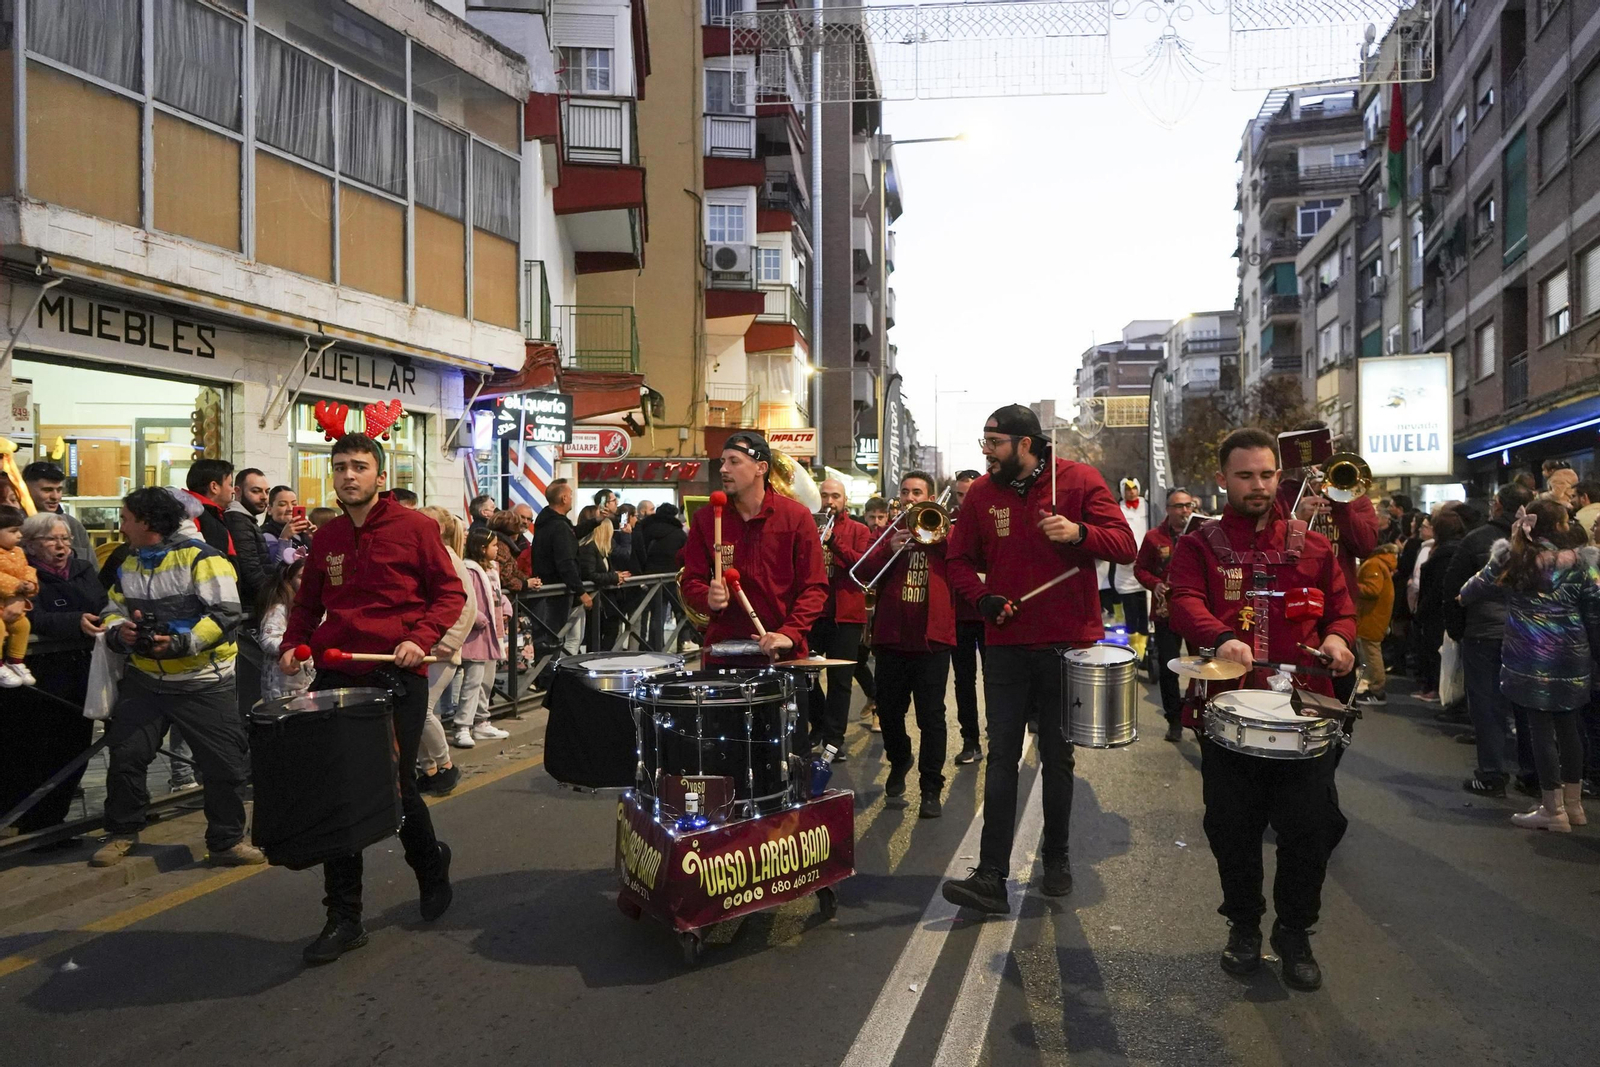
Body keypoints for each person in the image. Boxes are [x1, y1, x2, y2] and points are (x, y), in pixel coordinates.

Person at [1166, 427, 1356, 993]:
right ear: (1222, 479)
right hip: (1229, 711)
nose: (1258, 485)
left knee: (1309, 828)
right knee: (1232, 827)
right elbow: (1182, 602)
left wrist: (1341, 641)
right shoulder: (1198, 546)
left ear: (1279, 475)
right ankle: (1244, 926)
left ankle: (1294, 932)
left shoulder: (1315, 545)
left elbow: (1341, 611)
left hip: (1306, 711)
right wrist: (1221, 636)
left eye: (1267, 474)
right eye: (1245, 475)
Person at [277, 433, 466, 964]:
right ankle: (344, 917)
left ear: (379, 476)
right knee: (338, 794)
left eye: (359, 466)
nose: (348, 475)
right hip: (337, 677)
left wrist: (419, 638)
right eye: (340, 467)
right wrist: (295, 644)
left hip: (396, 679)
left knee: (395, 786)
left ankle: (430, 866)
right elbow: (308, 602)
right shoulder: (329, 537)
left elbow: (449, 593)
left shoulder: (416, 529)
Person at [942, 405, 1137, 914]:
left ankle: (1056, 858)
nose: (986, 452)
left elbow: (1125, 544)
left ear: (1026, 444)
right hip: (1006, 642)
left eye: (994, 443)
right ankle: (990, 875)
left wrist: (1078, 534)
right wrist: (981, 598)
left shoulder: (1078, 479)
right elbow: (958, 558)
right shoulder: (983, 493)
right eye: (983, 441)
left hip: (1067, 643)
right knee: (1002, 756)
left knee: (1057, 757)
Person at [92, 487, 264, 870]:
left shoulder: (204, 558)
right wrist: (121, 632)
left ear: (147, 522)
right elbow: (112, 607)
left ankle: (226, 842)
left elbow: (225, 613)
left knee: (225, 766)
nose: (120, 526)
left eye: (125, 518)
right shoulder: (130, 562)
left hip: (204, 682)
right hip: (146, 681)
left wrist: (182, 644)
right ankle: (122, 833)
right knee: (126, 757)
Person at [679, 431, 828, 752]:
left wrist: (789, 633)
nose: (723, 469)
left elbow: (814, 587)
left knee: (786, 759)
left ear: (761, 467)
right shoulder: (707, 519)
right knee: (725, 755)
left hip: (782, 658)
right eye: (722, 462)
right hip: (723, 658)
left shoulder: (796, 518)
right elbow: (689, 580)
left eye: (734, 461)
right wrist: (706, 596)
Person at [1459, 499, 1600, 832]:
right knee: (1569, 728)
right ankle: (1574, 806)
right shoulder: (1581, 562)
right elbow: (1594, 609)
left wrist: (1510, 544)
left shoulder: (1515, 559)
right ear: (1561, 526)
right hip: (1573, 654)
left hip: (1529, 655)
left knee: (1540, 731)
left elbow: (1471, 589)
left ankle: (1552, 811)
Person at [0, 513, 102, 840]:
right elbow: (37, 616)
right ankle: (27, 824)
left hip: (82, 672)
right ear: (29, 544)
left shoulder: (83, 569)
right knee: (33, 752)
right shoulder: (23, 574)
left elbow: (102, 604)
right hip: (39, 678)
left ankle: (52, 824)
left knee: (75, 747)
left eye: (65, 539)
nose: (61, 546)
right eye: (51, 540)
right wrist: (74, 620)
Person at [860, 471, 955, 818]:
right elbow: (864, 574)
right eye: (905, 492)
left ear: (929, 498)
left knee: (933, 718)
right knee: (890, 712)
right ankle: (900, 761)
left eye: (917, 492)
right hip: (891, 638)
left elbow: (963, 561)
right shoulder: (886, 532)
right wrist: (889, 547)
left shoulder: (945, 530)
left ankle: (931, 788)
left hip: (932, 640)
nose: (910, 497)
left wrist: (938, 534)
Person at [1443, 482, 1538, 797]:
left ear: (1497, 504)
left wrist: (1457, 630)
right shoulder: (1541, 542)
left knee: (1486, 704)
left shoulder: (1478, 539)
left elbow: (1455, 589)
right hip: (1529, 634)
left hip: (1484, 632)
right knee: (1527, 706)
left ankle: (1492, 774)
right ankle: (1533, 775)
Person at [1275, 427, 1380, 703]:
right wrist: (1296, 516)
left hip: (1337, 609)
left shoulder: (1354, 496)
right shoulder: (1283, 495)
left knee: (1343, 698)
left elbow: (1366, 545)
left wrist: (1340, 503)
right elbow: (1267, 545)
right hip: (1292, 607)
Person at [806, 477, 872, 758]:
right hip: (812, 614)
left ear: (844, 500)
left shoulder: (859, 530)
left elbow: (862, 565)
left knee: (840, 682)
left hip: (846, 616)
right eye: (824, 495)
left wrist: (833, 541)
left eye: (835, 496)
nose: (829, 501)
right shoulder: (806, 526)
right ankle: (820, 724)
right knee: (803, 676)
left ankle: (834, 739)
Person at [412, 507, 480, 778]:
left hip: (440, 647)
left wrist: (451, 641)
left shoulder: (448, 557)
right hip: (425, 645)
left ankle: (445, 765)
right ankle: (428, 768)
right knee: (420, 711)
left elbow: (467, 605)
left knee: (423, 710)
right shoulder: (428, 556)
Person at [1135, 486, 1197, 741]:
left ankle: (1197, 713)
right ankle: (1174, 719)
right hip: (1165, 612)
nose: (1185, 511)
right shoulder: (1153, 537)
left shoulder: (1202, 533)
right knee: (1169, 667)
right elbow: (1140, 569)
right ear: (1168, 510)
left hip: (1196, 611)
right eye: (1179, 506)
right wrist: (1155, 584)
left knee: (1202, 667)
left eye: (1188, 506)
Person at [445, 528, 508, 753]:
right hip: (476, 633)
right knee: (472, 681)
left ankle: (481, 721)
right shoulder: (470, 570)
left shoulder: (491, 568)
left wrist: (506, 608)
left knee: (485, 681)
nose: (497, 549)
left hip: (492, 632)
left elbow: (498, 595)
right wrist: (477, 617)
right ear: (482, 548)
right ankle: (463, 725)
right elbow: (466, 596)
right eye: (494, 545)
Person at [948, 470, 986, 765]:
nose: (965, 500)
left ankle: (998, 736)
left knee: (996, 679)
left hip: (990, 614)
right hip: (959, 614)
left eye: (970, 493)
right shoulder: (948, 524)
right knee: (963, 681)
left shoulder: (993, 518)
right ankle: (970, 740)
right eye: (961, 495)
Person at [1416, 508, 1467, 707]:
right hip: (1447, 610)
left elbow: (1438, 586)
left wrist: (1421, 610)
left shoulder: (1444, 553)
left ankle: (1442, 693)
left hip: (1438, 611)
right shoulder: (1460, 548)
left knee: (1440, 654)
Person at [532, 483, 589, 660]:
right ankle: (549, 677)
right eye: (570, 495)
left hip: (548, 590)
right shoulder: (559, 527)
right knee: (553, 638)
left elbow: (572, 534)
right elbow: (566, 562)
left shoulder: (547, 523)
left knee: (551, 638)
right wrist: (581, 591)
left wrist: (594, 522)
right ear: (564, 498)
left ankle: (544, 676)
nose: (572, 498)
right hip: (555, 593)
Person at [632, 502, 688, 650]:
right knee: (682, 611)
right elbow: (685, 556)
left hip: (651, 577)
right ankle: (684, 642)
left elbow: (638, 551)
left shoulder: (646, 529)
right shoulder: (679, 533)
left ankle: (656, 647)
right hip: (673, 577)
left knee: (657, 615)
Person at [257, 559, 314, 703]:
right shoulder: (280, 609)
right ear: (289, 580)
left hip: (307, 685)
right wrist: (293, 648)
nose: (307, 581)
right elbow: (268, 640)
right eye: (301, 577)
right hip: (282, 688)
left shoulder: (319, 608)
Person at [856, 497, 891, 724]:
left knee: (879, 663)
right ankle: (873, 695)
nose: (876, 522)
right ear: (865, 516)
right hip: (860, 606)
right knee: (857, 659)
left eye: (881, 517)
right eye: (872, 517)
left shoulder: (889, 536)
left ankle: (879, 712)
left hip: (882, 607)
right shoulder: (861, 536)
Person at [223, 468, 275, 616]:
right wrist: (274, 596)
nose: (264, 497)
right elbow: (250, 570)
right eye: (256, 491)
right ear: (237, 491)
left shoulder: (246, 520)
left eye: (267, 491)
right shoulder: (238, 521)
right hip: (248, 607)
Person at [1353, 543, 1399, 705]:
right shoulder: (1382, 564)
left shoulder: (1374, 563)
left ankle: (1377, 691)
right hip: (1376, 614)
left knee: (1372, 653)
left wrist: (1352, 586)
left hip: (1371, 615)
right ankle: (1374, 687)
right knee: (1371, 651)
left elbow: (1373, 590)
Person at [577, 516, 631, 652]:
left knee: (611, 630)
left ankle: (603, 658)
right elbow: (590, 574)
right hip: (595, 601)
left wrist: (616, 575)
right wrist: (614, 577)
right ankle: (596, 660)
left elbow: (603, 570)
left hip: (605, 600)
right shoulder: (589, 548)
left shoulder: (602, 550)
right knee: (595, 634)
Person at [1112, 477, 1150, 661]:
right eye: (1127, 490)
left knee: (1145, 611)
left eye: (1134, 488)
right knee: (1131, 611)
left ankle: (1143, 647)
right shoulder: (1117, 509)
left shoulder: (1148, 506)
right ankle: (1133, 646)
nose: (1131, 492)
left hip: (1146, 567)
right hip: (1125, 568)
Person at [0, 505, 39, 687]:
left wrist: (30, 583)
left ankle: (15, 661)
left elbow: (27, 569)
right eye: (13, 531)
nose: (19, 536)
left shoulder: (18, 552)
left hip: (13, 601)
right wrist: (16, 586)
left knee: (23, 626)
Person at [22, 461, 91, 562]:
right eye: (47, 490)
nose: (55, 497)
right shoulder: (11, 526)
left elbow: (92, 570)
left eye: (59, 490)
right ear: (26, 489)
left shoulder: (74, 526)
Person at [184, 459, 237, 557]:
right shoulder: (192, 515)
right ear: (214, 487)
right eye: (230, 485)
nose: (233, 491)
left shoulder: (212, 513)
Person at [262, 485, 314, 563]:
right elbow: (276, 568)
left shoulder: (303, 533)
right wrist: (284, 538)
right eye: (282, 504)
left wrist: (315, 539)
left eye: (294, 504)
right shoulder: (265, 535)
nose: (290, 509)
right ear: (269, 509)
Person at [488, 508, 533, 594]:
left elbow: (513, 570)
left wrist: (527, 580)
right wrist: (525, 584)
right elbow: (505, 576)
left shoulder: (502, 544)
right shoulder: (502, 547)